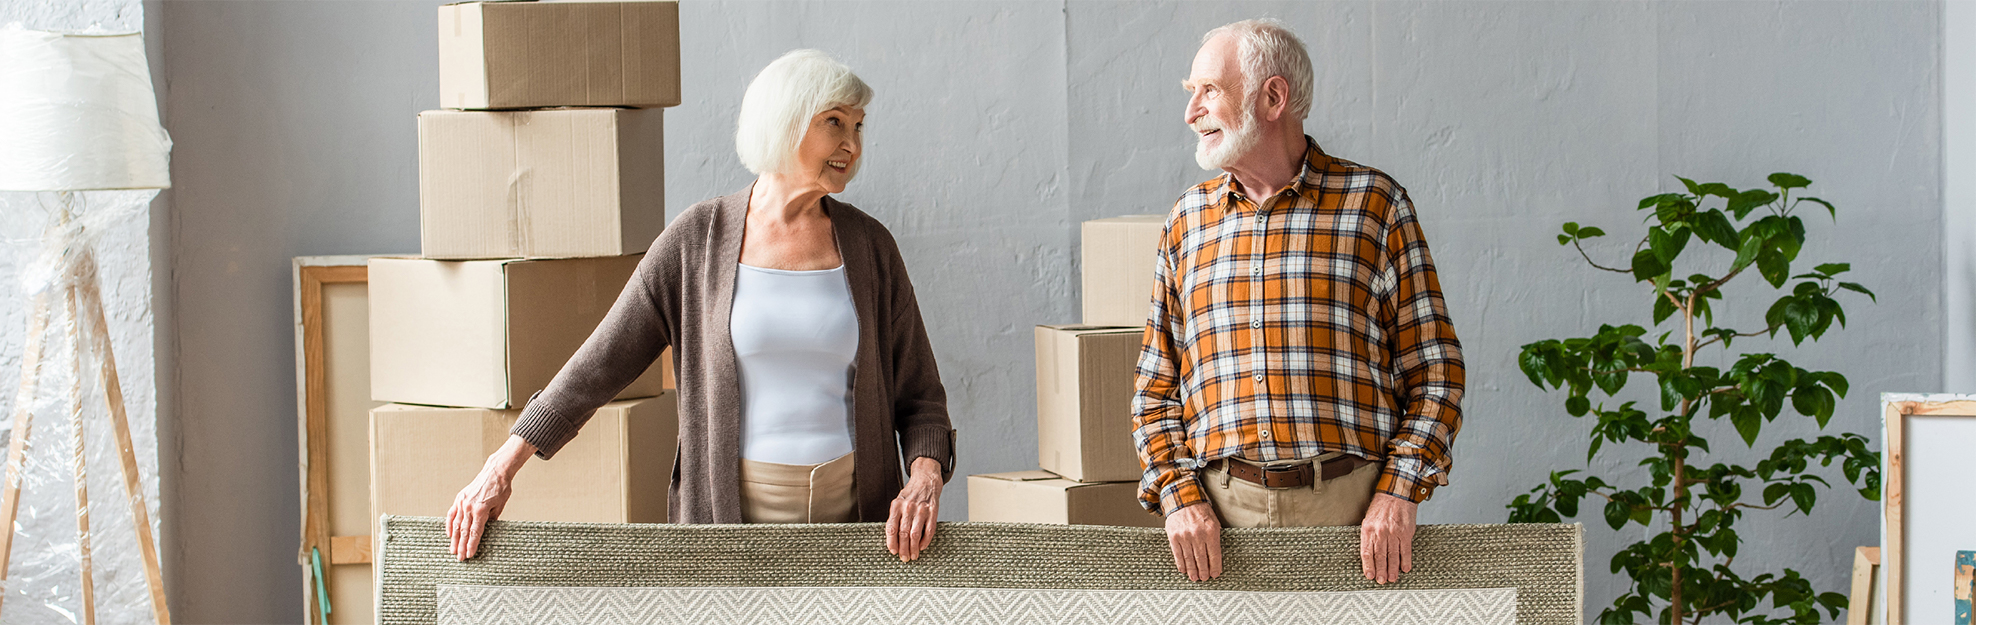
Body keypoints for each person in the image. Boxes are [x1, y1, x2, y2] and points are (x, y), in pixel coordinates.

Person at [444, 49, 956, 563]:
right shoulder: (697, 241)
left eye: (859, 126)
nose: (851, 143)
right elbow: (598, 364)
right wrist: (501, 467)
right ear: (785, 123)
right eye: (834, 122)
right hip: (726, 520)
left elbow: (921, 395)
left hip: (858, 521)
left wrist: (924, 477)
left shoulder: (871, 247)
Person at [1131, 19, 1466, 585]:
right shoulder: (1187, 222)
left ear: (1273, 97)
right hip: (1218, 520)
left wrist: (1399, 492)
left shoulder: (1374, 207)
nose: (1192, 114)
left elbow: (1436, 373)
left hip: (1355, 515)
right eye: (1192, 95)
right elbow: (1154, 389)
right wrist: (1179, 497)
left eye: (1208, 90)